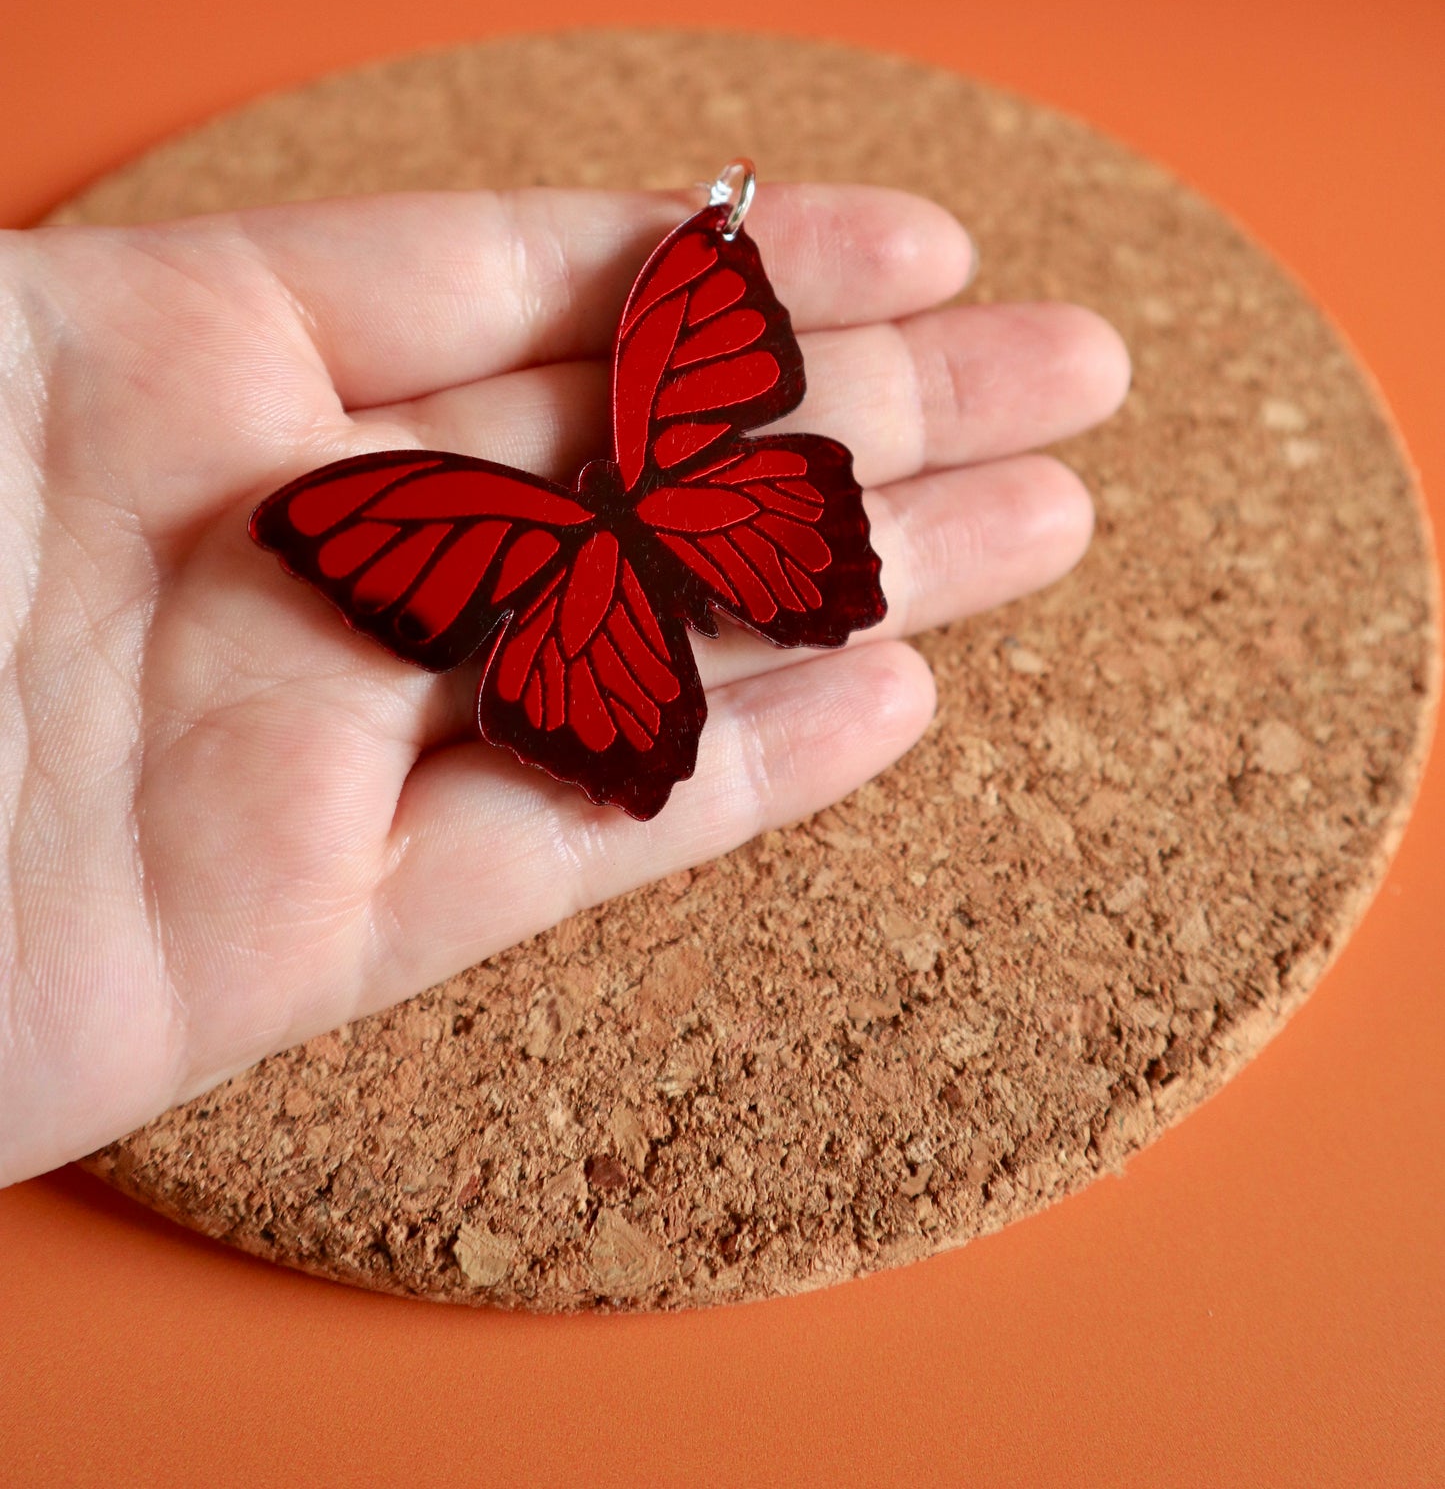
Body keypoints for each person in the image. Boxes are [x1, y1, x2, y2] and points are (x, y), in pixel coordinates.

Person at [0, 180, 1129, 1186]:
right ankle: (763, 603)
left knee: (618, 651)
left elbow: (409, 527)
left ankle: (769, 608)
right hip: (710, 513)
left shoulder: (489, 513)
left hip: (580, 597)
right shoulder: (643, 421)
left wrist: (711, 229)